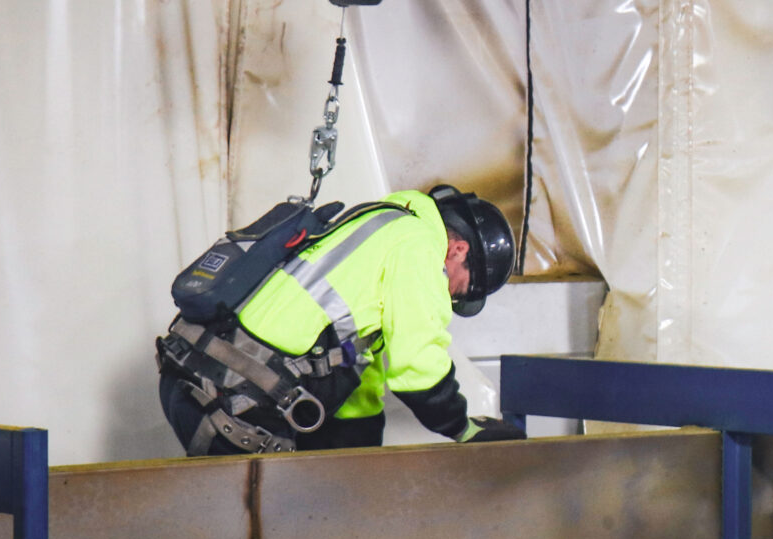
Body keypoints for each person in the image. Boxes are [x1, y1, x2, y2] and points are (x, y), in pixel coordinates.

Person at [156, 184, 524, 455]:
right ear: (459, 250)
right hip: (239, 401)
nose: (451, 296)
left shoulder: (382, 224)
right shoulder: (419, 246)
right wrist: (464, 429)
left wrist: (357, 452)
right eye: (460, 289)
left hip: (199, 376)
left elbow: (354, 362)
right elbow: (417, 365)